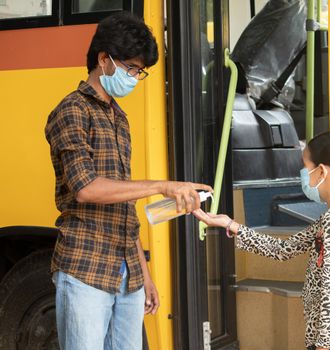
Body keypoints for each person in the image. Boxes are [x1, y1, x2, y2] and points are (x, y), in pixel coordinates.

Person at [45, 12, 212, 350]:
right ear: (103, 60)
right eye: (131, 68)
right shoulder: (71, 111)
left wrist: (144, 275)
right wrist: (164, 186)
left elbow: (124, 202)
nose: (136, 77)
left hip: (128, 273)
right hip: (86, 269)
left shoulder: (119, 118)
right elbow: (87, 188)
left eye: (139, 71)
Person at [193, 131, 330, 350]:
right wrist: (230, 224)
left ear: (322, 171)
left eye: (307, 168)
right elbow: (284, 249)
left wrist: (324, 346)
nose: (305, 175)